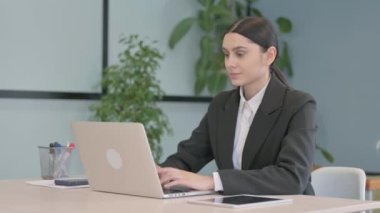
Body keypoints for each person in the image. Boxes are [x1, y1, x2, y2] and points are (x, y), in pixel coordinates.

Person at [157, 16, 317, 195]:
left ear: (269, 56)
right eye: (226, 54)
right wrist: (158, 173)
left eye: (240, 54)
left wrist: (213, 181)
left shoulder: (298, 105)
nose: (229, 63)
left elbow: (291, 178)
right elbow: (188, 157)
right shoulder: (221, 105)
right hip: (236, 206)